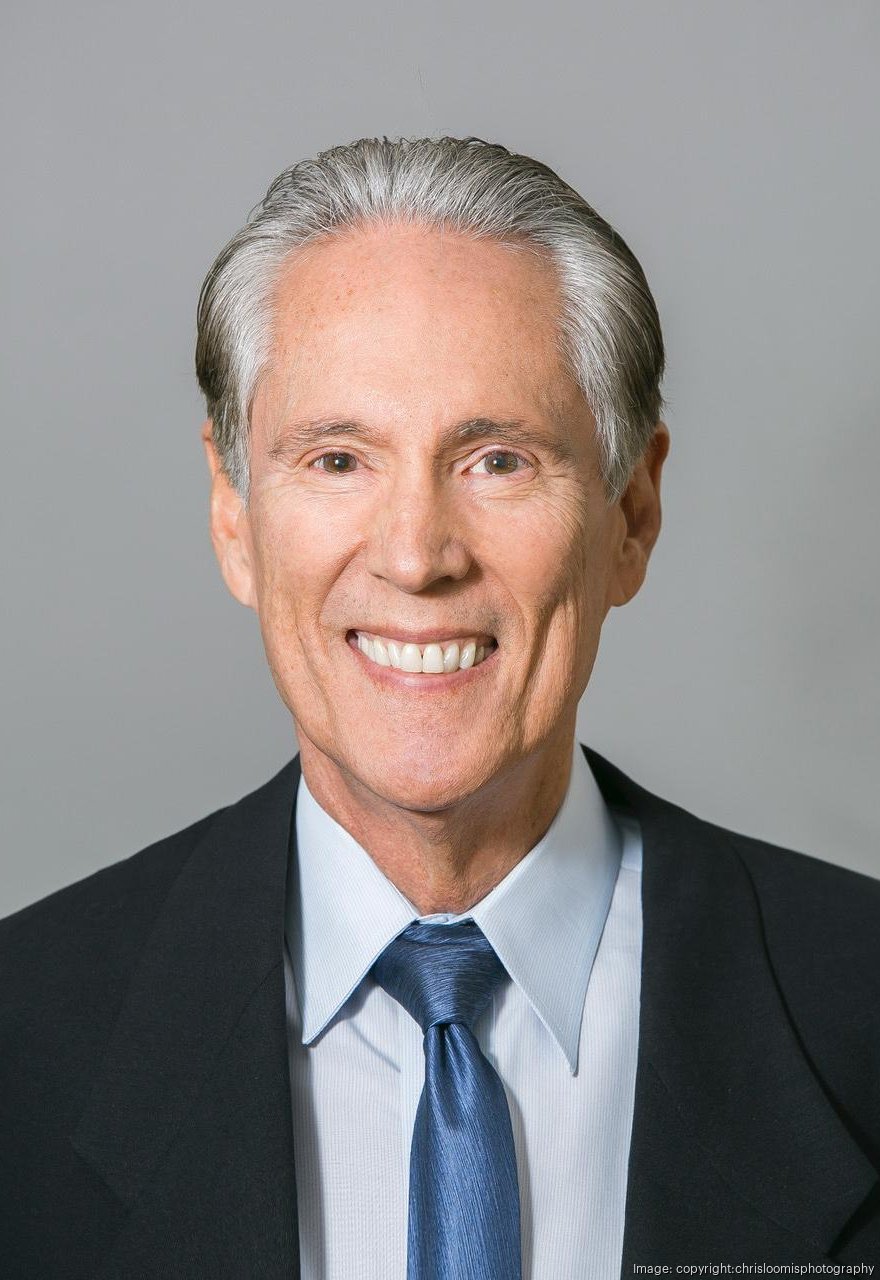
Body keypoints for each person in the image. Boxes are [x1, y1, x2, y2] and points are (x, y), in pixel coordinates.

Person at [2, 137, 878, 1279]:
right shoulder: (24, 1036)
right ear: (233, 516)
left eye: (498, 459)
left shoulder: (858, 1006)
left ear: (632, 514)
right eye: (337, 460)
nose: (416, 557)